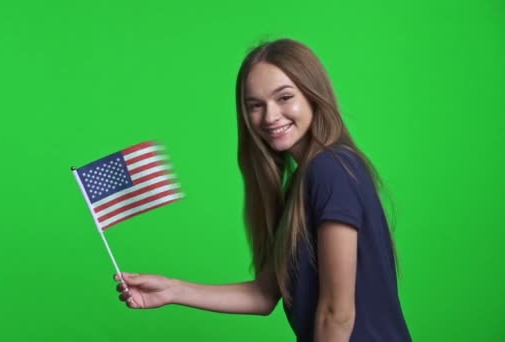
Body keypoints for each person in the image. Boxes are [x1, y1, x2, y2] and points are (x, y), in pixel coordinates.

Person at [113, 38, 412, 342]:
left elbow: (337, 313)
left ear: (313, 95)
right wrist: (172, 290)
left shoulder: (330, 170)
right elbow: (265, 294)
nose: (270, 117)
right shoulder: (302, 182)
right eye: (255, 105)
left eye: (284, 97)